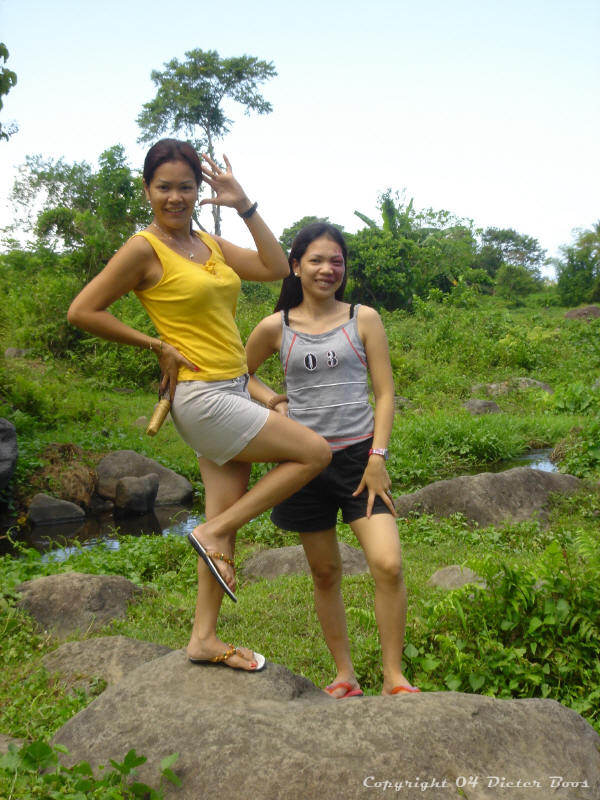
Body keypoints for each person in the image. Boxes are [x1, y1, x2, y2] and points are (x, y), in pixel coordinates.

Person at [67, 140, 331, 672]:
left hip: (234, 388)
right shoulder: (144, 249)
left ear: (198, 192)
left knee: (224, 521)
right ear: (147, 190)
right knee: (314, 452)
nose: (175, 197)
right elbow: (83, 310)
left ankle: (203, 637)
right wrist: (155, 344)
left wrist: (243, 204)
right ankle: (207, 535)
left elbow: (276, 267)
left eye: (186, 187)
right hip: (201, 395)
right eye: (164, 187)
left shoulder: (207, 243)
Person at [245, 222, 419, 695]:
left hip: (360, 461)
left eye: (336, 261)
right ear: (296, 266)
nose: (327, 269)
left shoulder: (364, 318)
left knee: (388, 564)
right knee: (325, 573)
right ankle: (345, 675)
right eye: (317, 260)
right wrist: (273, 401)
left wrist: (377, 456)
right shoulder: (275, 327)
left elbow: (385, 393)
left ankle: (394, 676)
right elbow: (240, 373)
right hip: (303, 463)